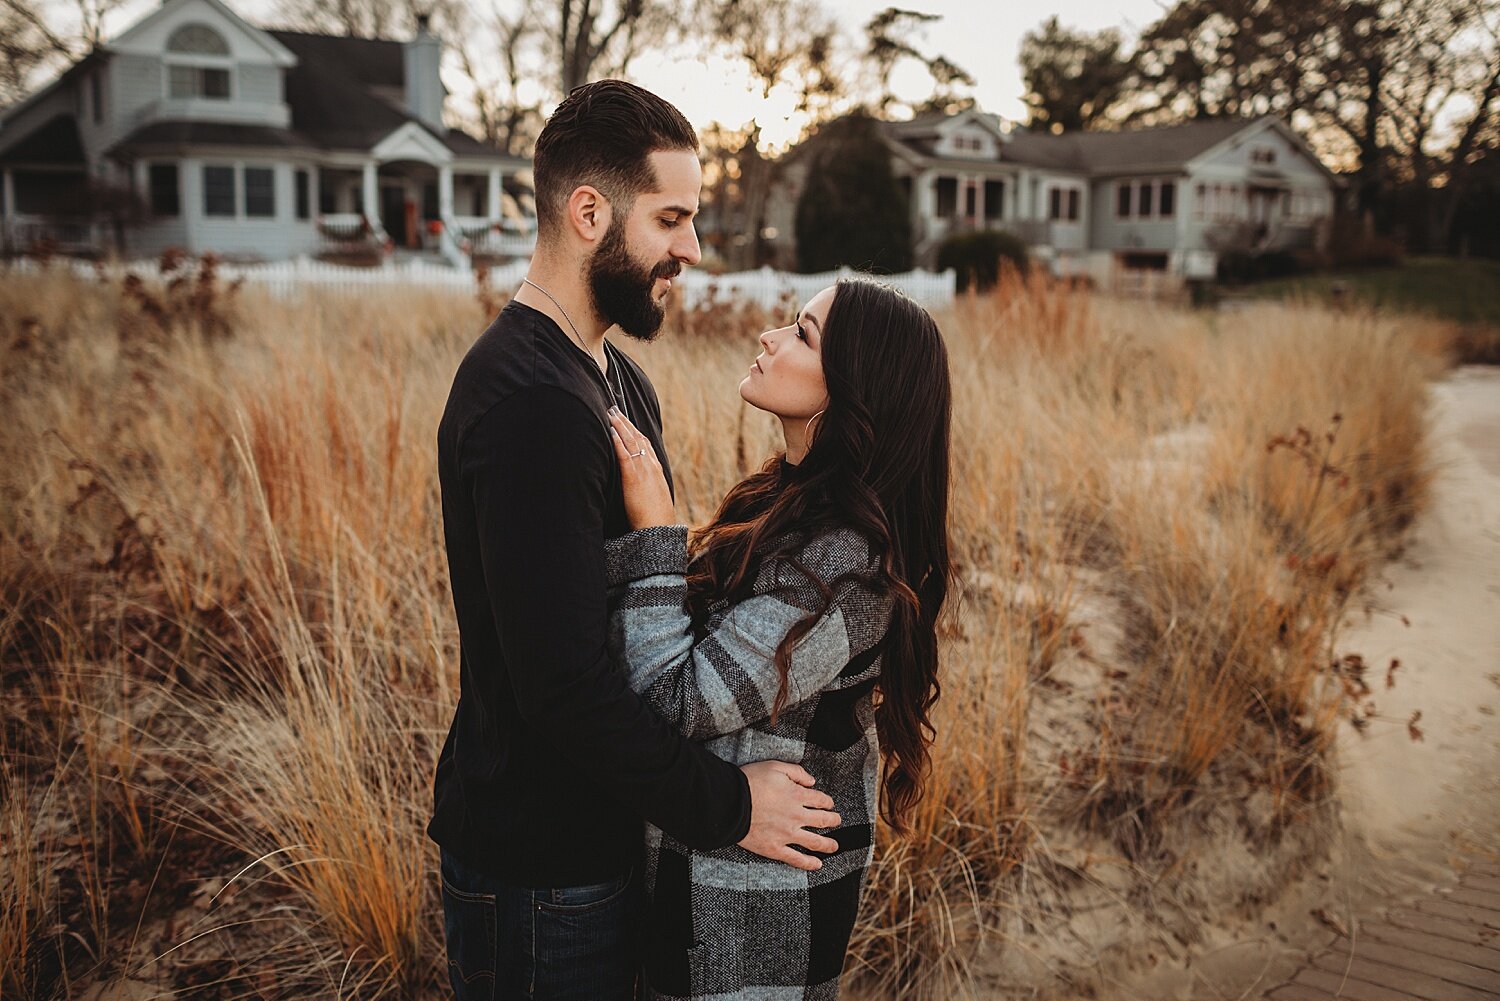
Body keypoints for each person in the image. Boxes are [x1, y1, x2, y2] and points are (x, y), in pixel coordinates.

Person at [428, 80, 842, 1001]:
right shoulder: (529, 403)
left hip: (609, 840)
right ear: (589, 213)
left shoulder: (615, 377)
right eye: (671, 218)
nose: (692, 248)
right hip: (541, 871)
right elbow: (562, 688)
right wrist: (730, 805)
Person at [603, 277, 954, 1000]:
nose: (769, 338)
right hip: (706, 886)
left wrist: (655, 535)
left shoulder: (846, 564)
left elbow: (676, 696)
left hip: (755, 919)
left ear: (851, 390)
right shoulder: (784, 504)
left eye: (801, 334)